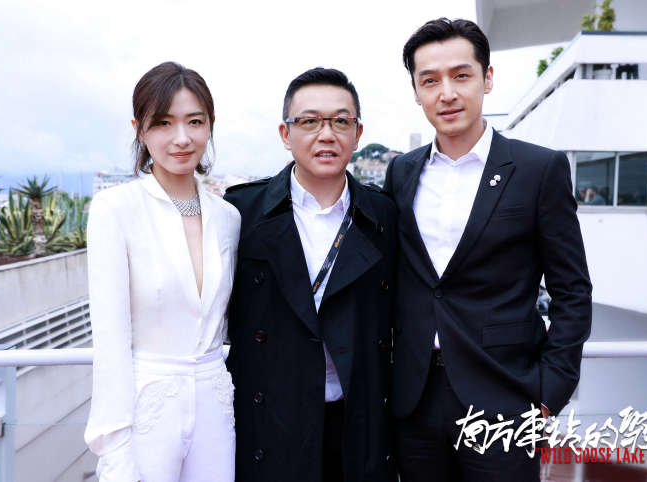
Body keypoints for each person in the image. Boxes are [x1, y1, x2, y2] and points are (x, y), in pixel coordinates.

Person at [384, 18, 592, 481]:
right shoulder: (401, 172)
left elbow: (572, 290)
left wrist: (550, 393)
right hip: (415, 398)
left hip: (505, 396)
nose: (447, 93)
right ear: (416, 92)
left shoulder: (539, 169)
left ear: (487, 78)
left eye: (461, 76)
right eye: (429, 81)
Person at [224, 67, 397, 482]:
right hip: (271, 422)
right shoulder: (241, 211)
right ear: (286, 134)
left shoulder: (384, 215)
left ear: (357, 133)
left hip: (356, 423)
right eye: (309, 121)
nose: (326, 134)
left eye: (340, 121)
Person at [84, 61, 240, 482]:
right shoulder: (115, 210)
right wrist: (114, 448)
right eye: (164, 123)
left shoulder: (228, 218)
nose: (182, 138)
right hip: (145, 409)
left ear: (210, 125)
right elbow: (111, 340)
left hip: (215, 403)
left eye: (195, 122)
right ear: (140, 129)